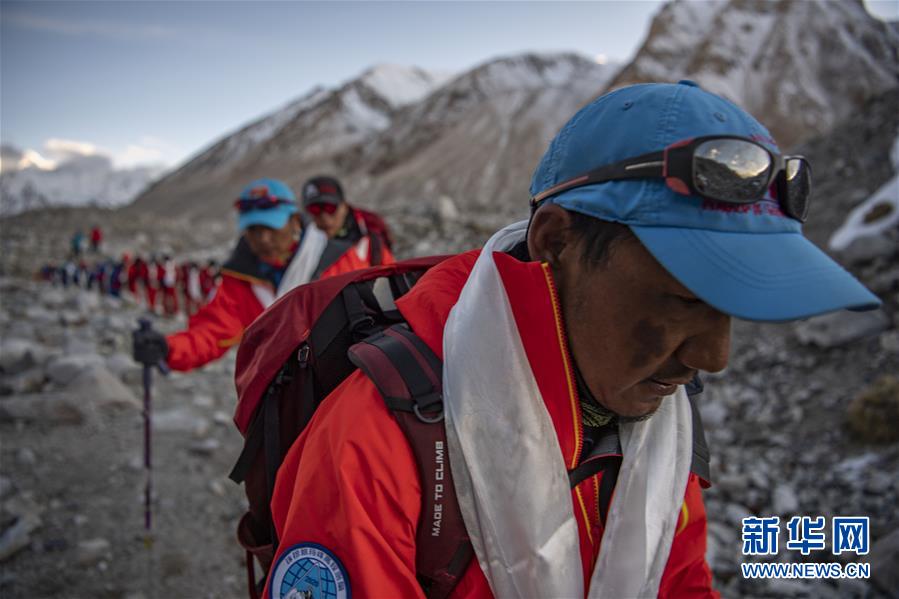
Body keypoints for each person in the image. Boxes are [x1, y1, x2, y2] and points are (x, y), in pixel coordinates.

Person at [262, 82, 881, 599]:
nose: (711, 359)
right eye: (684, 299)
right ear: (555, 243)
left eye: (732, 308)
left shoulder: (659, 419)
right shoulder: (375, 446)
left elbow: (680, 578)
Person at [133, 177, 391, 373]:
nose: (264, 239)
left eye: (272, 228)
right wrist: (168, 348)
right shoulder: (240, 279)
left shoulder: (341, 259)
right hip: (280, 391)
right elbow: (214, 331)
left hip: (343, 380)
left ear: (294, 222)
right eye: (254, 230)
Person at [301, 175, 394, 275]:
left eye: (330, 208)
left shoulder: (369, 239)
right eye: (315, 210)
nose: (324, 217)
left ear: (344, 206)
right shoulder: (298, 249)